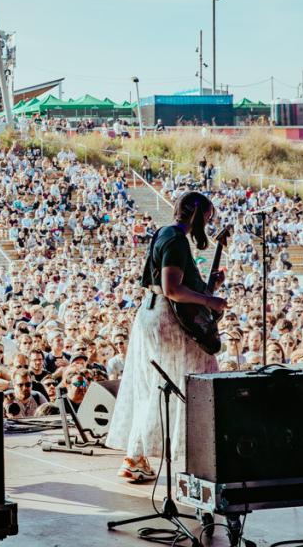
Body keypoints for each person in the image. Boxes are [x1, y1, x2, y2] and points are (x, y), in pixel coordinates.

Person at [106, 191, 226, 482]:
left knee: (152, 387)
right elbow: (172, 288)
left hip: (153, 313)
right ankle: (190, 454)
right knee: (190, 381)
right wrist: (211, 302)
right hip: (166, 319)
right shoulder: (174, 239)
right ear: (197, 213)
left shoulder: (166, 233)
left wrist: (209, 286)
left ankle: (135, 457)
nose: (207, 226)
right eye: (207, 218)